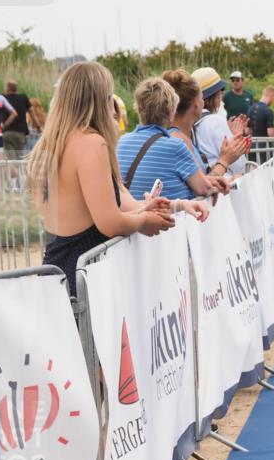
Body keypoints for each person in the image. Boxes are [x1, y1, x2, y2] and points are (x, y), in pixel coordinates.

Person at [27, 62, 179, 296]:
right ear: (100, 100)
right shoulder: (91, 143)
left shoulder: (51, 144)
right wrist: (144, 220)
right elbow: (109, 222)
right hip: (84, 276)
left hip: (56, 273)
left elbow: (82, 215)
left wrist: (143, 211)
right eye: (110, 97)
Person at [117, 77, 225, 204]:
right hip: (171, 215)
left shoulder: (120, 143)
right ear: (170, 112)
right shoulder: (175, 146)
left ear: (139, 109)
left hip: (134, 214)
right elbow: (204, 188)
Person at [163, 68, 242, 193]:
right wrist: (225, 160)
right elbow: (203, 188)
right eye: (200, 97)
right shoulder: (180, 142)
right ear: (196, 102)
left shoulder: (165, 134)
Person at [192, 66, 250, 175]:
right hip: (223, 182)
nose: (222, 94)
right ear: (214, 94)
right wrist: (236, 137)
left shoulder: (190, 122)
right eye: (221, 90)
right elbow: (239, 166)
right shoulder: (215, 121)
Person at [2, 81, 32, 159]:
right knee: (20, 157)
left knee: (10, 159)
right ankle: (19, 167)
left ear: (8, 88)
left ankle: (13, 166)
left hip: (7, 133)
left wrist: (2, 126)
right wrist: (38, 126)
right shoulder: (23, 97)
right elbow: (32, 112)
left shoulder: (3, 98)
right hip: (20, 133)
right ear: (16, 88)